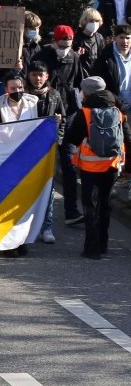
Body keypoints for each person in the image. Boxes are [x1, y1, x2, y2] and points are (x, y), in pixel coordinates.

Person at [64, 76, 125, 259]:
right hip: (112, 165)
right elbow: (127, 136)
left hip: (90, 167)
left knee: (90, 206)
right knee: (105, 203)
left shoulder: (86, 113)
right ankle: (104, 243)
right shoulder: (117, 109)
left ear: (87, 92)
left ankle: (92, 249)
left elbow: (71, 139)